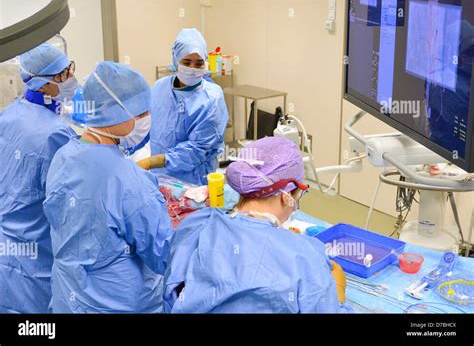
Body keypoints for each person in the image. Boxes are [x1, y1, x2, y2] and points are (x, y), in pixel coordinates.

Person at [163, 137, 350, 313]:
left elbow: (171, 297)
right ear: (287, 196)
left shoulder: (196, 225)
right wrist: (339, 294)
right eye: (299, 193)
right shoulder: (305, 256)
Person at [43, 62, 174, 313]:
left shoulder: (63, 157)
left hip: (69, 298)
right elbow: (163, 255)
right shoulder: (129, 181)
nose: (146, 119)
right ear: (115, 113)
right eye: (140, 113)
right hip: (116, 304)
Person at [0, 43, 77, 313]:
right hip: (36, 259)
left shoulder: (7, 115)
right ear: (43, 84)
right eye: (63, 74)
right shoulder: (55, 133)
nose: (70, 78)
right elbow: (70, 202)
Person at [140, 28, 228, 185]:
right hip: (158, 175)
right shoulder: (160, 87)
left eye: (199, 63)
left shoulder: (212, 98)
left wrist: (151, 162)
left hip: (193, 181)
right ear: (175, 61)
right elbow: (147, 125)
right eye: (187, 62)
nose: (192, 68)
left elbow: (197, 150)